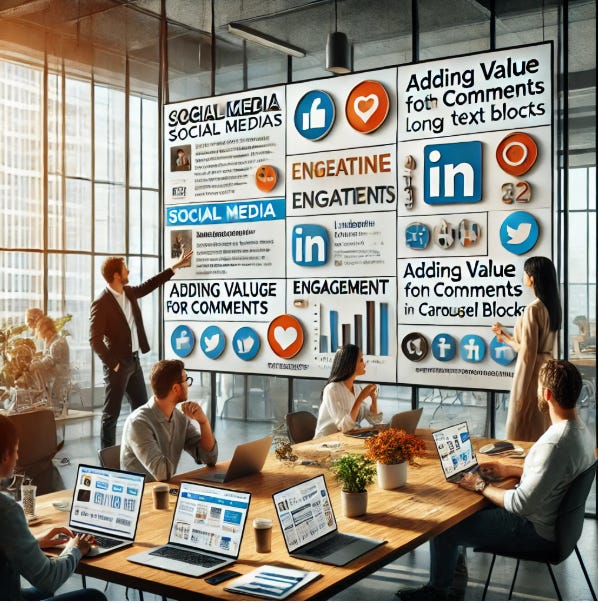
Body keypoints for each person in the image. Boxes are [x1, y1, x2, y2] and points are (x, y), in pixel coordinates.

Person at [396, 359, 595, 601]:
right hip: (560, 528)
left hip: (535, 531)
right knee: (468, 506)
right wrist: (508, 468)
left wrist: (480, 485)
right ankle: (452, 582)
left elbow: (521, 504)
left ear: (547, 394)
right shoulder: (581, 432)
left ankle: (439, 590)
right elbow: (559, 476)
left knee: (445, 527)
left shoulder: (555, 443)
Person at [90, 248, 192, 449]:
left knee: (142, 410)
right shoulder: (101, 303)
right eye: (125, 268)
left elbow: (150, 285)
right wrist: (114, 365)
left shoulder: (128, 292)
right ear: (117, 275)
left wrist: (175, 267)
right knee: (111, 415)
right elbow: (94, 339)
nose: (128, 271)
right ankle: (106, 460)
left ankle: (143, 450)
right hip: (118, 365)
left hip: (134, 361)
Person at [0, 415, 105, 601]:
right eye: (16, 450)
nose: (17, 457)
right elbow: (49, 579)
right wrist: (76, 548)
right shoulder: (6, 510)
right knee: (94, 597)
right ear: (5, 455)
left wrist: (31, 544)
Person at [492, 256, 562, 441]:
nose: (523, 276)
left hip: (532, 373)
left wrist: (520, 390)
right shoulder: (552, 307)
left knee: (524, 423)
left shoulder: (533, 309)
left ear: (532, 278)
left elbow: (527, 355)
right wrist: (505, 337)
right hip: (547, 369)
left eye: (525, 273)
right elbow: (530, 347)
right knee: (543, 422)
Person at [120, 359, 218, 481]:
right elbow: (162, 473)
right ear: (176, 388)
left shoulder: (179, 418)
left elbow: (209, 458)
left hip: (165, 489)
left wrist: (204, 423)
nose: (188, 384)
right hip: (142, 494)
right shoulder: (138, 423)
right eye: (186, 380)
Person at [314, 344, 382, 438]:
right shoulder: (332, 390)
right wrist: (361, 398)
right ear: (351, 364)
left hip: (345, 439)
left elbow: (375, 420)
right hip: (324, 442)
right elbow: (344, 427)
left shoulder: (357, 389)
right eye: (361, 360)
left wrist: (373, 398)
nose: (365, 364)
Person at [30, 317, 70, 416]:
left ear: (44, 329)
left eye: (39, 330)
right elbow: (47, 356)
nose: (38, 333)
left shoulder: (57, 343)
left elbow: (51, 360)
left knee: (55, 402)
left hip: (58, 377)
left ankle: (53, 416)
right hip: (53, 376)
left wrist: (35, 364)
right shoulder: (50, 340)